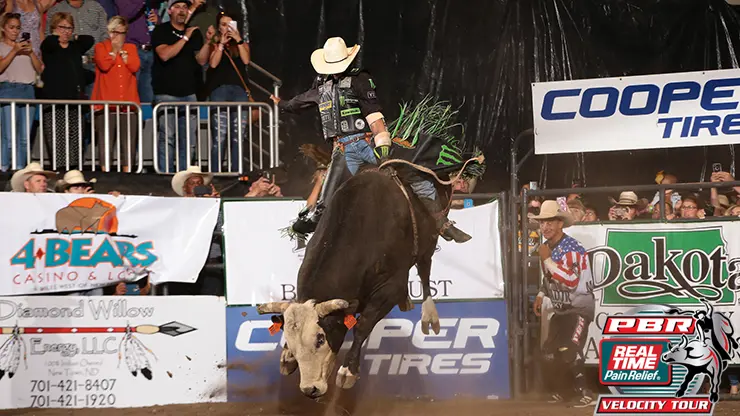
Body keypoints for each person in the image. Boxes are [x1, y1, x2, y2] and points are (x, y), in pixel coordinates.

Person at [272, 37, 470, 243]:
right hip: (343, 149)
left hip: (366, 143)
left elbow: (374, 115)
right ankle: (313, 224)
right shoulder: (321, 86)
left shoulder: (360, 80)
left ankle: (442, 224)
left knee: (413, 173)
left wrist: (382, 144)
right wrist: (283, 104)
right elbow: (301, 101)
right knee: (326, 202)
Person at [531, 200, 595, 407]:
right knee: (549, 353)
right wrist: (541, 295)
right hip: (561, 308)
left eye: (550, 222)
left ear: (560, 224)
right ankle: (564, 391)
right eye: (543, 223)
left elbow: (571, 280)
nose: (545, 227)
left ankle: (585, 392)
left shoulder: (572, 248)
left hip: (578, 307)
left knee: (569, 349)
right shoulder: (548, 248)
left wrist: (548, 260)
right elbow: (548, 278)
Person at [151, 0, 212, 173]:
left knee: (188, 139)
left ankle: (185, 176)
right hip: (166, 93)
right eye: (177, 7)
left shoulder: (194, 33)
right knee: (168, 137)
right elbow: (164, 55)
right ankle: (166, 175)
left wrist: (207, 43)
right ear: (169, 11)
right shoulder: (161, 30)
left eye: (185, 7)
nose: (182, 10)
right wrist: (185, 37)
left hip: (189, 93)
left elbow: (201, 60)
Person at [39, 12, 94, 170]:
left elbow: (89, 40)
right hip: (55, 100)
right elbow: (48, 44)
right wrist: (57, 37)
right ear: (54, 28)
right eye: (62, 27)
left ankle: (74, 169)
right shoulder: (50, 44)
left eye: (69, 28)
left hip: (74, 99)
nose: (66, 31)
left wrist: (73, 37)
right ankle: (60, 169)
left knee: (75, 138)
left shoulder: (75, 47)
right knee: (57, 138)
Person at [91, 15, 140, 172]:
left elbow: (134, 66)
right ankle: (105, 173)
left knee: (128, 142)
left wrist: (124, 56)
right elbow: (104, 65)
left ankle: (128, 173)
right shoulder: (100, 47)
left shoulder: (131, 48)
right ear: (109, 32)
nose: (118, 36)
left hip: (128, 103)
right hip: (106, 103)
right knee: (105, 142)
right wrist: (114, 51)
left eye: (122, 33)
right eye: (116, 32)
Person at [206, 9, 250, 172]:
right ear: (219, 27)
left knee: (238, 135)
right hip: (219, 90)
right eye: (223, 25)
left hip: (238, 89)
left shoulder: (241, 43)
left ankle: (237, 172)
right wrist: (221, 44)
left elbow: (246, 60)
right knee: (220, 135)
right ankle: (216, 173)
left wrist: (238, 39)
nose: (227, 28)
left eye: (230, 25)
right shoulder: (215, 43)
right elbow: (213, 64)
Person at [0, 12, 42, 172]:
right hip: (8, 91)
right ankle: (4, 167)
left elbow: (39, 69)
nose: (15, 31)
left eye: (17, 28)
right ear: (4, 28)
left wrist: (30, 52)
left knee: (24, 137)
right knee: (9, 136)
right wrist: (14, 51)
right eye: (11, 27)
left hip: (28, 91)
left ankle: (20, 169)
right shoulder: (2, 46)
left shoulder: (26, 48)